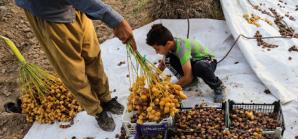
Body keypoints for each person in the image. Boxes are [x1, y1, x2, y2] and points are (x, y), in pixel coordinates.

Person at [14, 0, 137, 131]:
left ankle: (105, 99)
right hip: (51, 14)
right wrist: (116, 21)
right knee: (73, 71)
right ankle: (96, 110)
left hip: (74, 5)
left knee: (92, 54)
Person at [146, 24, 226, 103]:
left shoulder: (182, 47)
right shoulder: (169, 47)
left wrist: (171, 88)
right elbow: (163, 64)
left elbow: (188, 77)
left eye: (157, 49)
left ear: (168, 44)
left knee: (199, 67)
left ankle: (218, 86)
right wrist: (154, 77)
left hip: (206, 61)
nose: (156, 52)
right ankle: (191, 82)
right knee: (168, 60)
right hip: (192, 62)